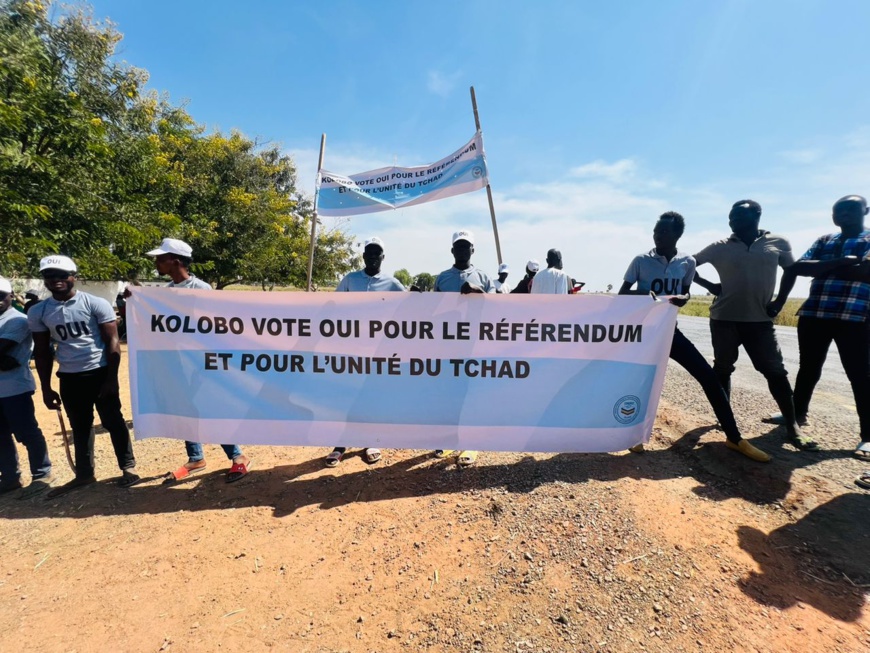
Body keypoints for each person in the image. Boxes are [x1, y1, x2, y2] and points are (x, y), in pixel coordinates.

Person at [619, 212, 770, 462]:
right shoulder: (641, 261)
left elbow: (685, 295)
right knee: (641, 385)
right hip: (644, 336)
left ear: (677, 234)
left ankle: (734, 438)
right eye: (656, 231)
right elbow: (624, 294)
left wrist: (682, 299)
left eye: (664, 232)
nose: (658, 236)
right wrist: (649, 296)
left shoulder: (686, 262)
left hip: (670, 332)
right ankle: (634, 437)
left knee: (709, 379)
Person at [693, 200, 816, 450]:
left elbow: (790, 271)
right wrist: (709, 286)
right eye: (730, 217)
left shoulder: (777, 242)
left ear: (756, 215)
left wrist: (780, 301)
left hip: (759, 321)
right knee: (723, 369)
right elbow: (687, 265)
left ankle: (792, 425)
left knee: (775, 372)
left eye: (738, 216)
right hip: (724, 319)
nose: (732, 221)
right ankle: (725, 418)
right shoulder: (719, 246)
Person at [768, 195, 870, 460]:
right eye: (839, 210)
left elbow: (865, 273)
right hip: (815, 313)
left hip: (855, 316)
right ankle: (798, 414)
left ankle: (867, 436)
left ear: (865, 210)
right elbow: (797, 267)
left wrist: (821, 269)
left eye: (850, 209)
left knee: (860, 375)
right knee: (809, 368)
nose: (843, 214)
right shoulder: (825, 240)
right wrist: (841, 262)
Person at [29, 255, 140, 497]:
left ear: (73, 277)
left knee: (113, 421)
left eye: (61, 275)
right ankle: (84, 474)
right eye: (49, 276)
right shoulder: (39, 311)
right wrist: (46, 388)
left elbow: (112, 342)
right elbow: (42, 351)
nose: (55, 280)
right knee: (79, 426)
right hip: (69, 377)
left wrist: (111, 379)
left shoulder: (94, 303)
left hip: (98, 372)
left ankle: (127, 467)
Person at [144, 238, 251, 483]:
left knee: (210, 409)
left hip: (201, 364)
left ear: (176, 261)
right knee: (185, 410)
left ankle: (237, 456)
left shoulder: (201, 290)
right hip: (177, 364)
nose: (157, 262)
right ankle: (196, 457)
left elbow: (215, 328)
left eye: (161, 258)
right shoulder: (167, 292)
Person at [325, 237, 405, 467]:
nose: (372, 257)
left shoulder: (392, 283)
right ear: (363, 257)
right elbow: (333, 307)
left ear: (383, 257)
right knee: (346, 397)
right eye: (368, 253)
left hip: (378, 352)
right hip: (350, 351)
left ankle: (370, 440)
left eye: (377, 253)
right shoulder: (350, 280)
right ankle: (341, 444)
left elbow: (410, 308)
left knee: (371, 397)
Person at [433, 229, 495, 465]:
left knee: (472, 396)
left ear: (472, 250)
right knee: (449, 394)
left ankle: (471, 443)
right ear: (452, 250)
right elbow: (430, 312)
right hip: (448, 348)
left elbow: (501, 309)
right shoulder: (442, 278)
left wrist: (480, 294)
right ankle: (450, 439)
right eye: (458, 246)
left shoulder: (484, 278)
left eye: (466, 246)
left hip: (476, 347)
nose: (462, 250)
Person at [0, 277, 53, 495]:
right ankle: (10, 477)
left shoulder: (18, 320)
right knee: (0, 435)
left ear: (11, 295)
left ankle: (42, 473)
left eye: (0, 296)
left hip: (14, 388)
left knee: (26, 432)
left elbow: (4, 347)